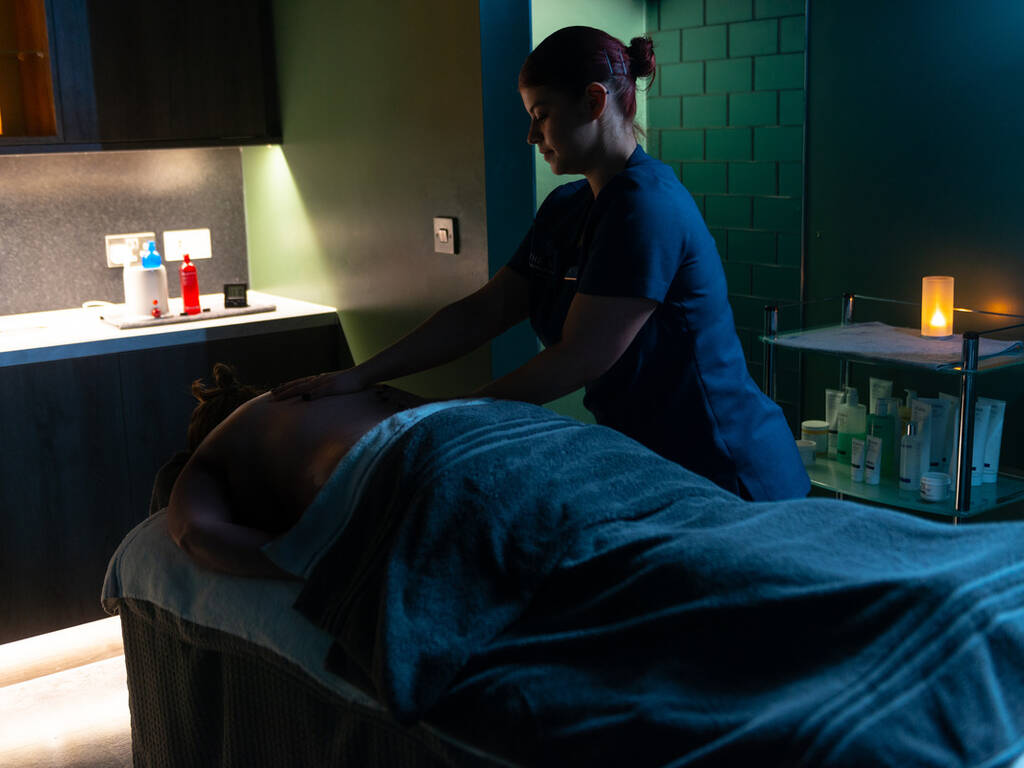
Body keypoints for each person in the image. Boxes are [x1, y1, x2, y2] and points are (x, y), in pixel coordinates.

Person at [272, 25, 808, 502]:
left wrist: (438, 414)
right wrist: (360, 376)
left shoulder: (646, 207)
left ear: (594, 102)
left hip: (729, 475)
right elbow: (483, 312)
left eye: (541, 115)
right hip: (654, 468)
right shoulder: (567, 208)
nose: (531, 136)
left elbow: (578, 357)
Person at [166, 363, 426, 578]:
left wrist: (308, 561)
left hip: (391, 463)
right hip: (451, 416)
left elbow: (195, 533)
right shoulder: (331, 387)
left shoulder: (217, 447)